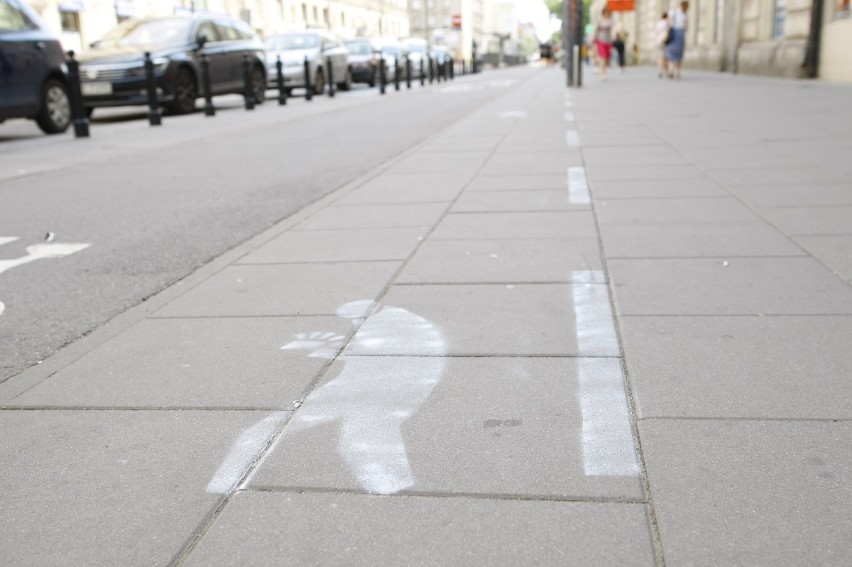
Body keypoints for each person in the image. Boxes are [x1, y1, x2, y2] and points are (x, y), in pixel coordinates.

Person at [666, 1, 689, 79]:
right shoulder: (674, 12)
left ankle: (676, 72)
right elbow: (668, 22)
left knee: (678, 54)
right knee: (672, 52)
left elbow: (686, 25)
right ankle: (672, 70)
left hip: (680, 33)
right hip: (674, 33)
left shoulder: (686, 14)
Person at [594, 7, 614, 80]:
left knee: (607, 58)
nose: (606, 14)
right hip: (600, 40)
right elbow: (596, 30)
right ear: (603, 13)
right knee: (603, 56)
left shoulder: (611, 21)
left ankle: (602, 69)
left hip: (608, 41)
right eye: (605, 13)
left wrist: (613, 39)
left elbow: (613, 31)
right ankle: (602, 72)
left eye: (608, 13)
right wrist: (594, 38)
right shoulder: (600, 20)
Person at [655, 12, 670, 78]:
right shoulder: (666, 23)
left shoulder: (658, 23)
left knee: (661, 57)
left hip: (658, 41)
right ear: (666, 17)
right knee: (665, 57)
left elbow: (656, 32)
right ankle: (666, 71)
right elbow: (667, 32)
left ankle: (660, 71)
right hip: (664, 41)